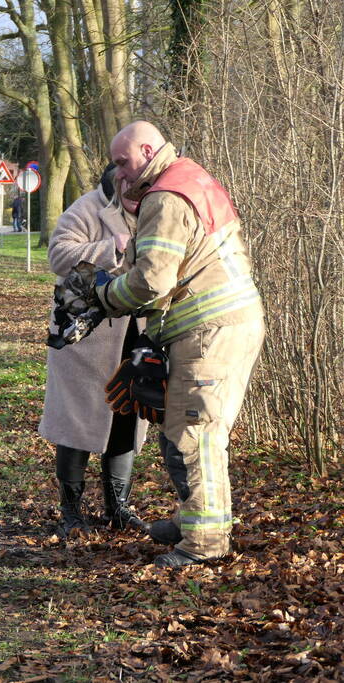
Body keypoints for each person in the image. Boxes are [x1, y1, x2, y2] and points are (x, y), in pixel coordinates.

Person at [94, 121, 264, 567]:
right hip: (224, 324)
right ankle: (193, 518)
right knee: (179, 428)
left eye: (123, 162)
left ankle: (203, 544)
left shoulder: (165, 197)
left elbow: (152, 281)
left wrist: (105, 296)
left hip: (209, 331)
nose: (119, 173)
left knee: (195, 434)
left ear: (148, 150)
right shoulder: (189, 177)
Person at [40, 163, 146, 537]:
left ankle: (119, 508)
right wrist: (110, 247)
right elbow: (58, 255)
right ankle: (71, 513)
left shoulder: (157, 208)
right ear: (119, 183)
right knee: (77, 424)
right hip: (83, 339)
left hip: (136, 335)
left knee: (127, 417)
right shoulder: (85, 209)